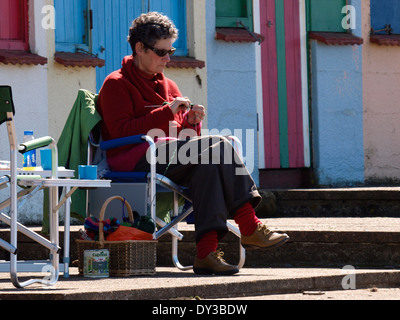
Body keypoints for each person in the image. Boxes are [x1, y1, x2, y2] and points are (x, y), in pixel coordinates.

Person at [97, 12, 289, 275]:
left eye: (170, 51)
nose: (167, 58)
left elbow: (186, 136)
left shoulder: (170, 85)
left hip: (171, 156)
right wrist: (167, 112)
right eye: (160, 52)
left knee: (208, 166)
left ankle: (205, 253)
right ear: (139, 48)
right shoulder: (115, 83)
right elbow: (119, 133)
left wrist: (191, 121)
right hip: (135, 159)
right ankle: (249, 225)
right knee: (220, 145)